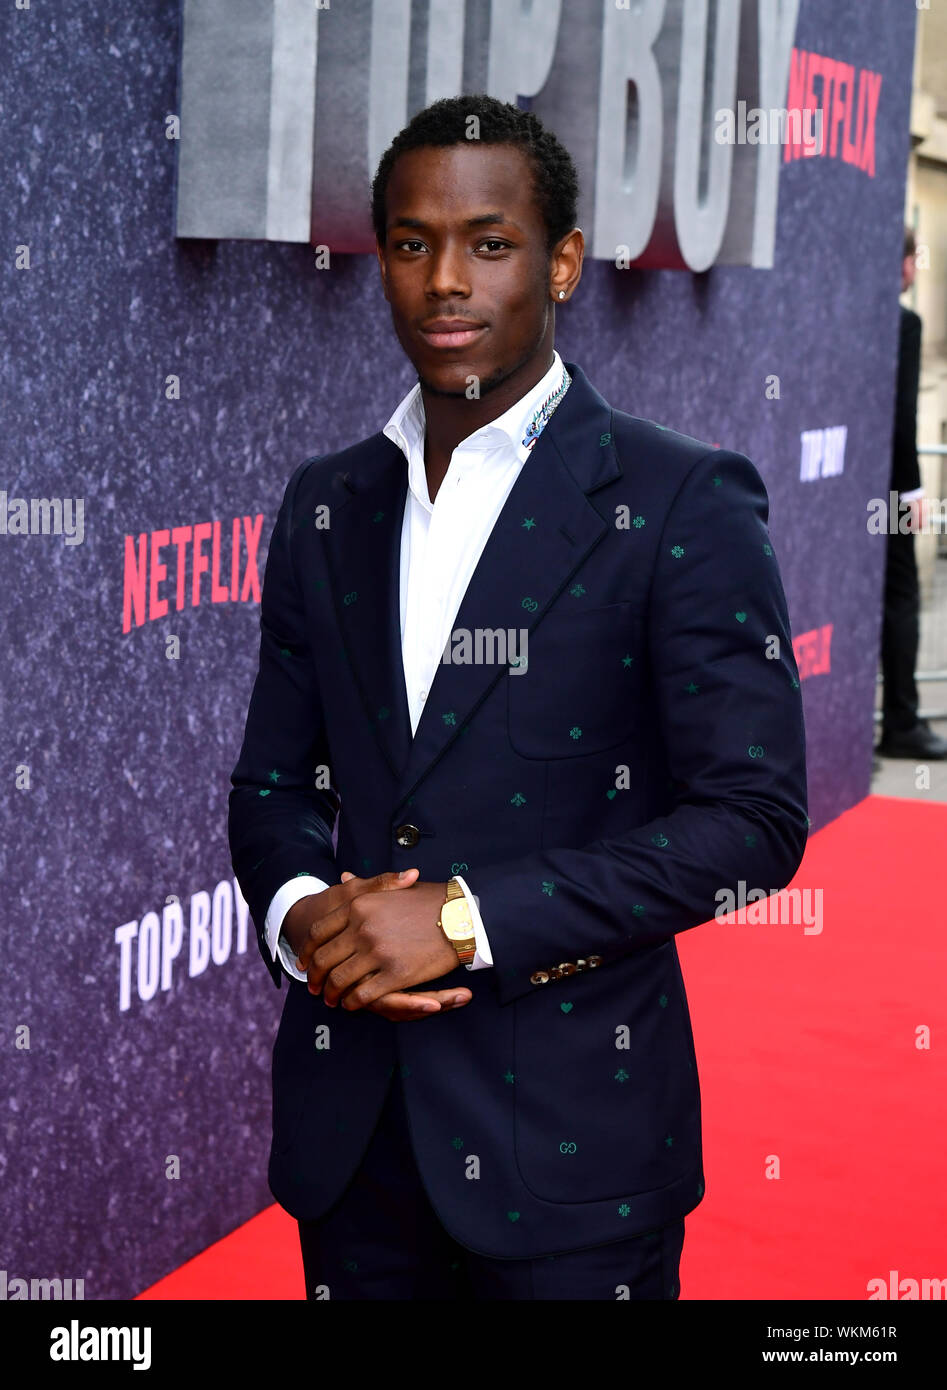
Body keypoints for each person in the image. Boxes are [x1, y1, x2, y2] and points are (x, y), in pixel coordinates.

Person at [228, 94, 808, 1301]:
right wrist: (302, 921)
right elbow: (275, 783)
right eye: (409, 241)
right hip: (351, 1142)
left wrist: (460, 919)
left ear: (559, 265)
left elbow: (750, 822)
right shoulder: (326, 503)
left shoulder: (677, 499)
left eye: (488, 244)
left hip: (571, 1156)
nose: (445, 279)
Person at [876, 226, 947, 759]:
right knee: (900, 595)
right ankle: (901, 721)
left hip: (840, 486)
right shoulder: (901, 322)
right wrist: (912, 491)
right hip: (884, 490)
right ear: (902, 265)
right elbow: (900, 417)